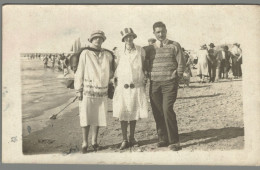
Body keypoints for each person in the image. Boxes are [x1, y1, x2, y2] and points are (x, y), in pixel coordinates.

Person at [145, 21, 186, 151]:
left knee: (167, 109)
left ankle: (174, 141)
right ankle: (163, 138)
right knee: (157, 111)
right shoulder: (149, 48)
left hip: (169, 83)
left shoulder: (175, 45)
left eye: (163, 31)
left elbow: (181, 63)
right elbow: (143, 63)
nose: (161, 34)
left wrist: (177, 76)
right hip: (154, 84)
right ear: (154, 33)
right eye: (158, 32)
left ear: (166, 31)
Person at [74, 30, 114, 153]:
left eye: (100, 38)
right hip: (87, 90)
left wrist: (111, 84)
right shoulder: (85, 53)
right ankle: (85, 142)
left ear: (103, 40)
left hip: (102, 90)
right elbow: (79, 71)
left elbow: (111, 72)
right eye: (95, 38)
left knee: (98, 116)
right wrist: (78, 90)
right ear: (91, 40)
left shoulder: (107, 55)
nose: (98, 40)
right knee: (86, 116)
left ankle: (94, 141)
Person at [113, 28, 149, 150]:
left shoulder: (140, 50)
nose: (129, 39)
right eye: (126, 37)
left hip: (136, 86)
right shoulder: (118, 52)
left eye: (131, 36)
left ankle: (132, 137)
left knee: (134, 113)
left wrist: (144, 78)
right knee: (123, 113)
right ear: (123, 39)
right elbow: (115, 68)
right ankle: (124, 139)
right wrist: (114, 79)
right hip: (122, 87)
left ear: (134, 37)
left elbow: (144, 66)